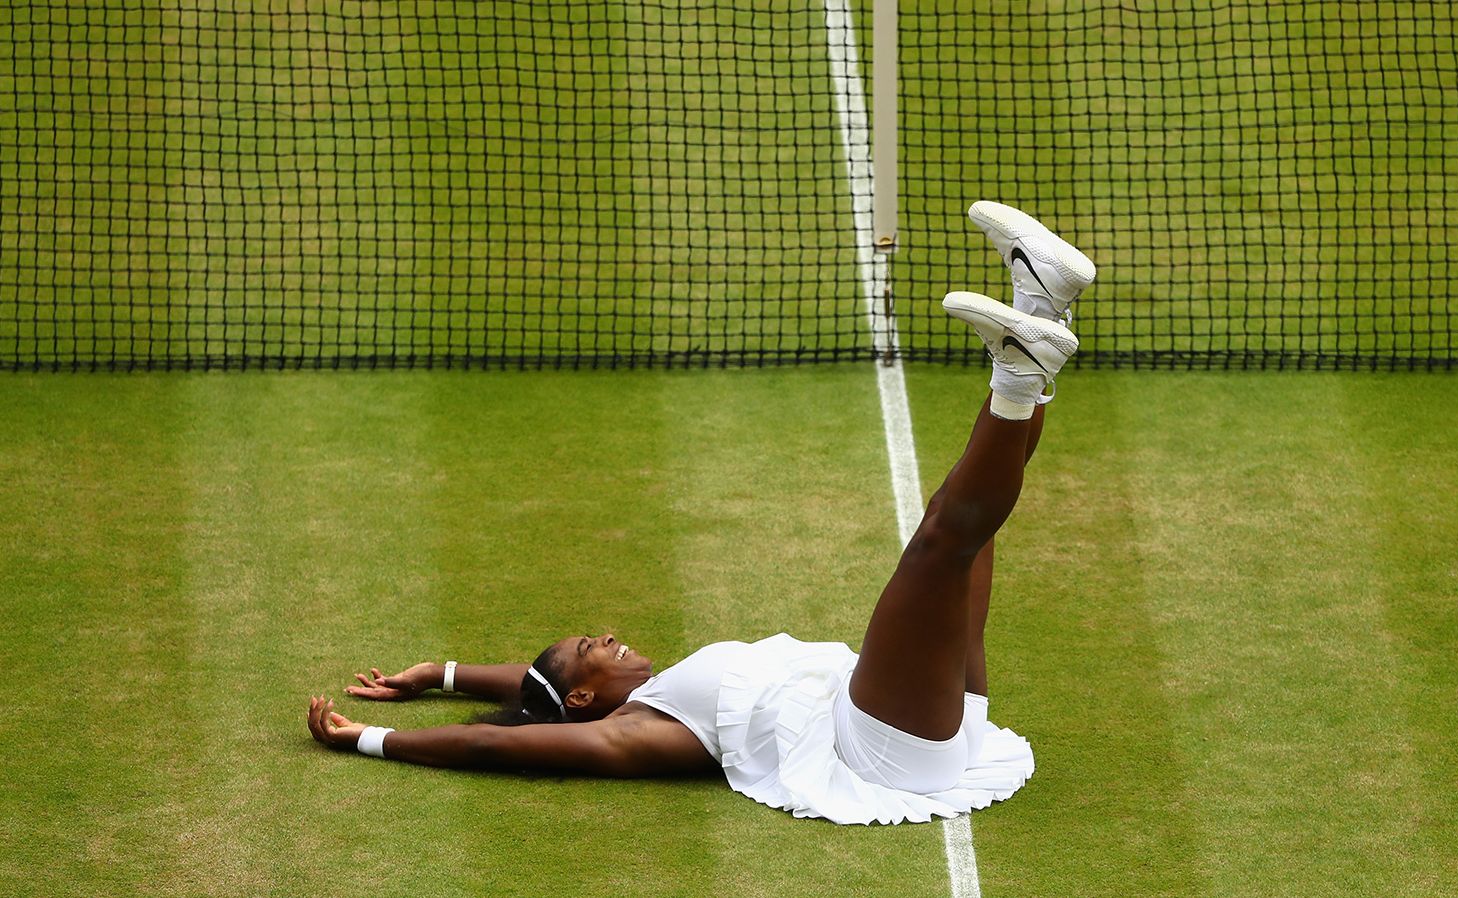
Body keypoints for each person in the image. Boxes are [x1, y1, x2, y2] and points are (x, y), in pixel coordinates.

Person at [306, 201, 1097, 825]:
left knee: (960, 528)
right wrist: (370, 740)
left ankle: (1039, 308)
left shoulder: (630, 694)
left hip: (916, 717)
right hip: (888, 750)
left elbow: (532, 689)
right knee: (940, 544)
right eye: (594, 646)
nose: (609, 636)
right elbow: (492, 739)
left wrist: (438, 673)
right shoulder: (639, 733)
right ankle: (1021, 368)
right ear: (587, 697)